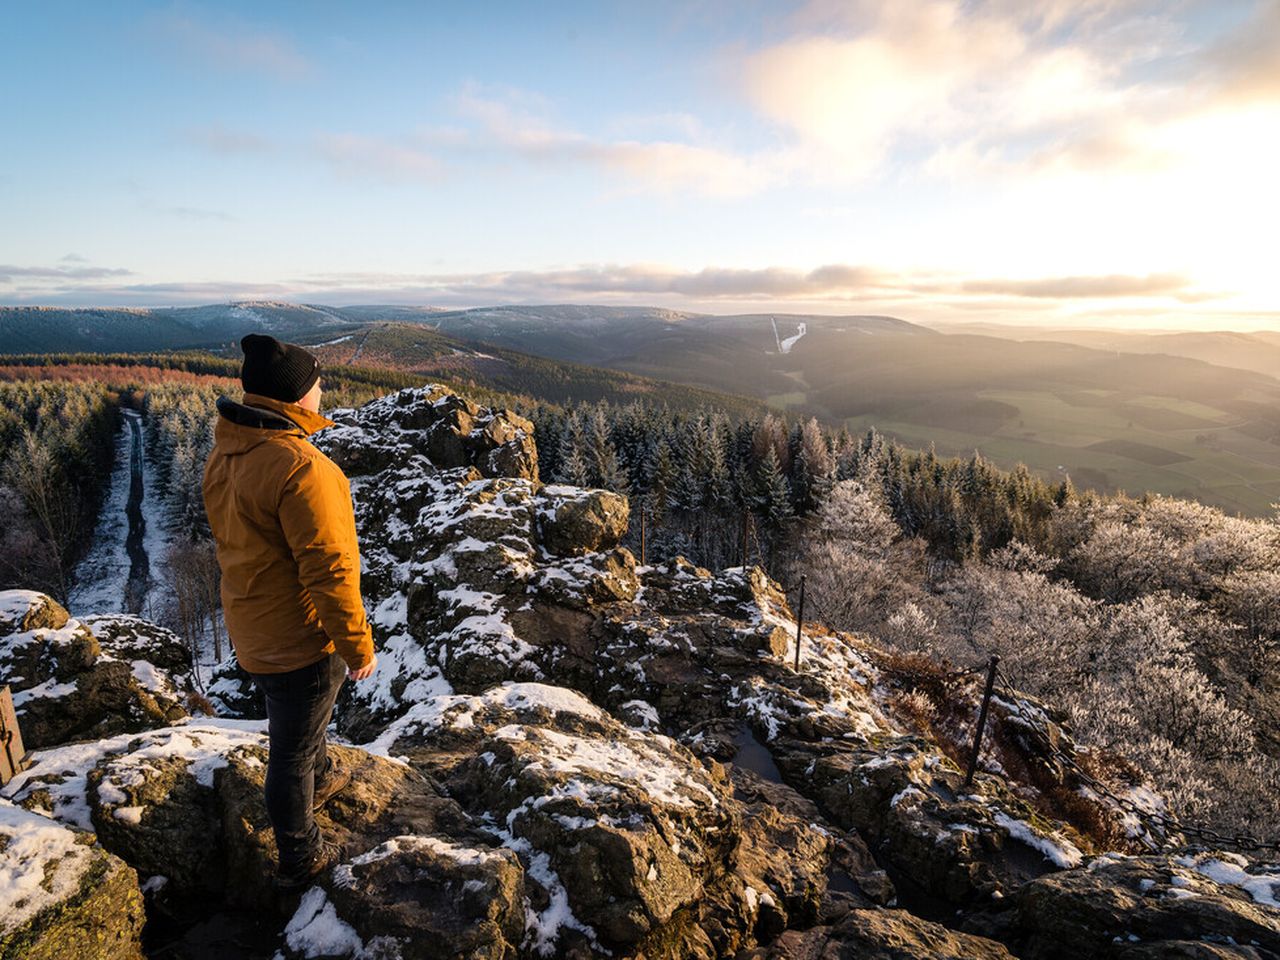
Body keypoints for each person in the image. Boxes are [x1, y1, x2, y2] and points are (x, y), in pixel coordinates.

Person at [203, 334, 378, 891]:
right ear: (299, 399)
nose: (323, 393)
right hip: (299, 639)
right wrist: (357, 646)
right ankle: (301, 857)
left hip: (252, 625)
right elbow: (329, 572)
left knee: (302, 729)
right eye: (317, 385)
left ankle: (322, 774)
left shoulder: (228, 452)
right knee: (290, 754)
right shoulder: (302, 467)